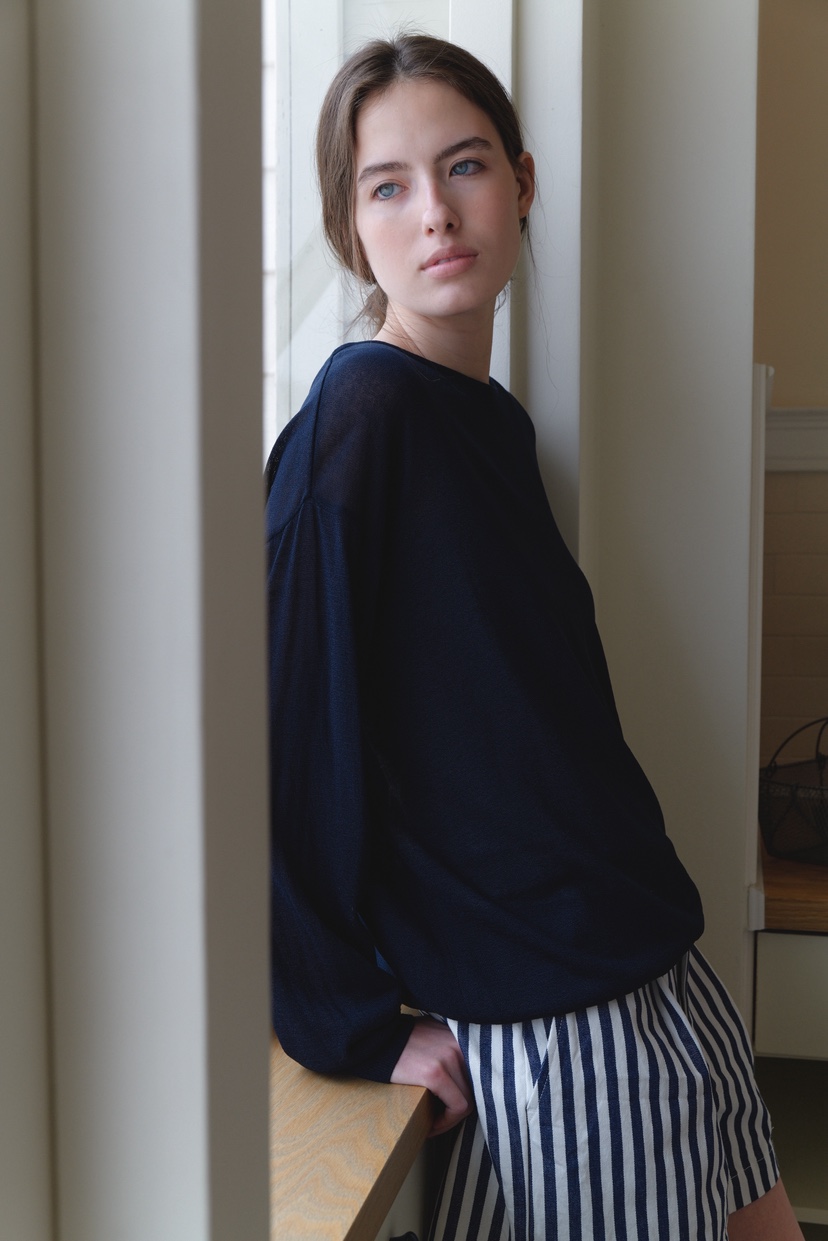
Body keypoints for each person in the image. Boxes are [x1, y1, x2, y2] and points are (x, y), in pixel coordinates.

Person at [265, 33, 803, 1241]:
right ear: (351, 230)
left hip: (652, 961)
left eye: (465, 166)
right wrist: (349, 1021)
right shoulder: (361, 418)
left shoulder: (487, 420)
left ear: (521, 183)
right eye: (387, 186)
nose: (435, 212)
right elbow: (283, 738)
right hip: (550, 1019)